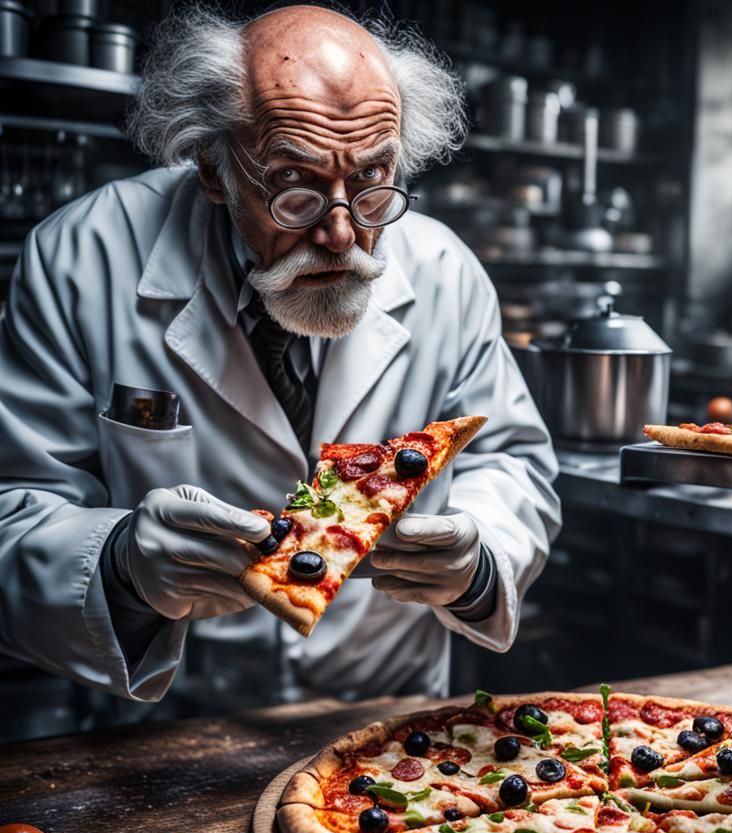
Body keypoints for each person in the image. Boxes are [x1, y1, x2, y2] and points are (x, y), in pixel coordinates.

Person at [0, 4, 560, 704]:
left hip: (383, 716)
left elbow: (511, 463)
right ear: (212, 167)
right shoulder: (82, 257)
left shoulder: (447, 271)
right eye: (293, 187)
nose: (339, 232)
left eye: (371, 181)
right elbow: (14, 510)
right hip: (174, 720)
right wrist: (119, 565)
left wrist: (476, 557)